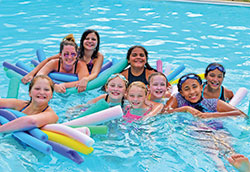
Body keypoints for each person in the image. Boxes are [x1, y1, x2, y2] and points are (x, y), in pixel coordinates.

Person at [22, 29, 104, 92]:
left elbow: (95, 73)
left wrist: (85, 79)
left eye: (93, 39)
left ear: (97, 42)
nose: (90, 41)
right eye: (87, 38)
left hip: (82, 75)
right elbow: (49, 60)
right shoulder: (73, 51)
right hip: (67, 71)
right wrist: (32, 73)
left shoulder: (97, 56)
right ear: (82, 41)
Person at [163, 73, 247, 118]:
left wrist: (210, 115)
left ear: (201, 87)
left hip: (215, 129)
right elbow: (164, 112)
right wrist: (186, 109)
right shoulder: (178, 98)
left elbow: (240, 114)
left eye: (195, 87)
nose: (192, 92)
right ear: (181, 92)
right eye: (187, 89)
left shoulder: (212, 103)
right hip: (194, 131)